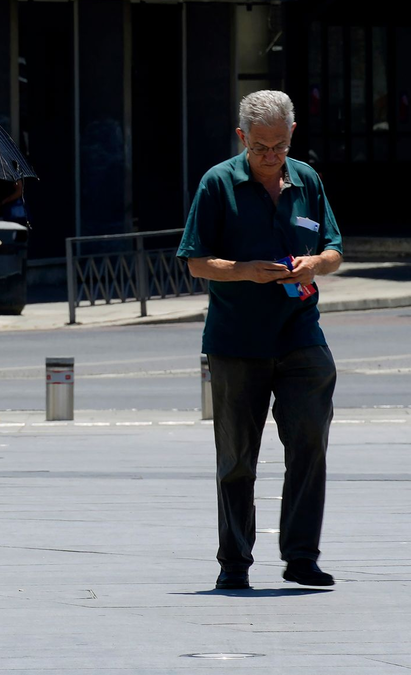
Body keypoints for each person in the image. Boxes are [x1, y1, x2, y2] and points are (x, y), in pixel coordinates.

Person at [178, 90, 343, 591]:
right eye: (260, 147)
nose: (271, 156)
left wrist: (316, 263)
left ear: (292, 135)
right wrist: (244, 270)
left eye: (279, 145)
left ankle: (301, 557)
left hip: (300, 332)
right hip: (236, 340)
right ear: (241, 137)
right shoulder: (217, 183)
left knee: (310, 440)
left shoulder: (307, 179)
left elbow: (334, 249)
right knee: (236, 458)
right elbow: (195, 262)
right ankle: (234, 562)